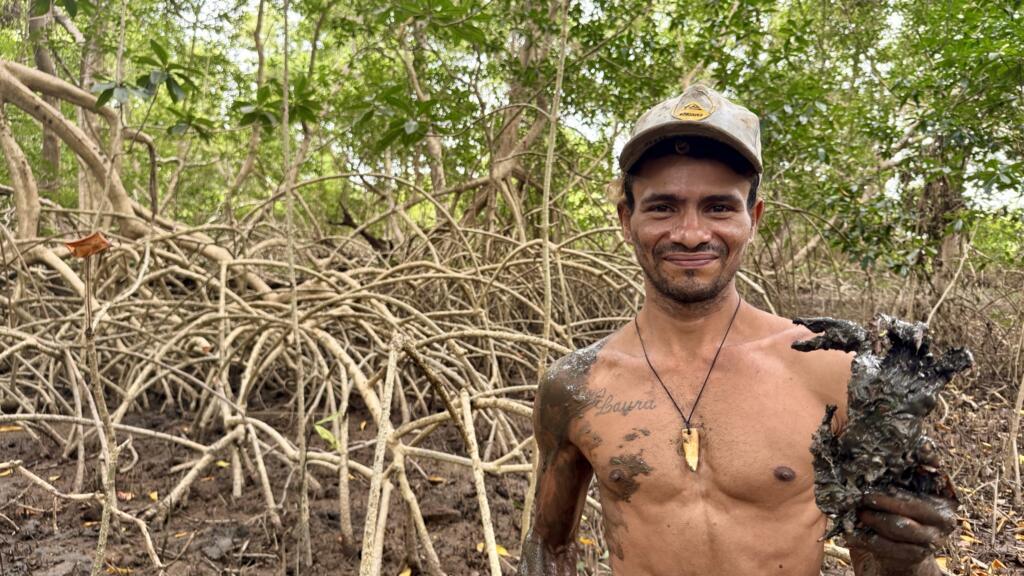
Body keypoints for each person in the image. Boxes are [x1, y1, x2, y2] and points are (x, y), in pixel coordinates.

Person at [518, 85, 956, 576]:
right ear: (626, 219)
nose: (690, 233)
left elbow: (880, 560)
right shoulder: (574, 386)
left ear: (754, 218)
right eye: (663, 207)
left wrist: (910, 556)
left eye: (719, 207)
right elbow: (547, 548)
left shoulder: (829, 372)